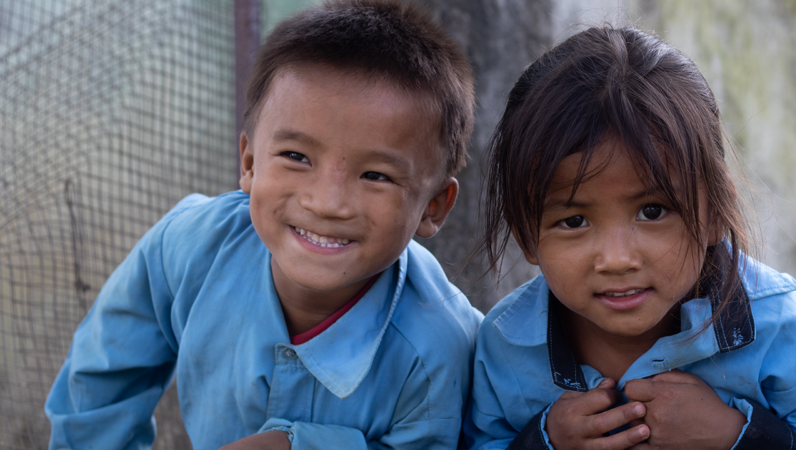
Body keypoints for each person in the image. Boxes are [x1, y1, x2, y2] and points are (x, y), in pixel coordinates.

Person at [45, 1, 482, 449]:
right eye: (296, 157)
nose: (327, 203)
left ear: (433, 206)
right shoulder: (189, 246)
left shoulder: (441, 348)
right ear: (249, 162)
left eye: (376, 176)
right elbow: (101, 386)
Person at [464, 26, 796, 450]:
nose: (616, 259)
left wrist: (736, 437)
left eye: (652, 211)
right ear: (525, 234)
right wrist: (543, 442)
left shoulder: (778, 328)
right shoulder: (508, 346)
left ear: (713, 213)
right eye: (574, 221)